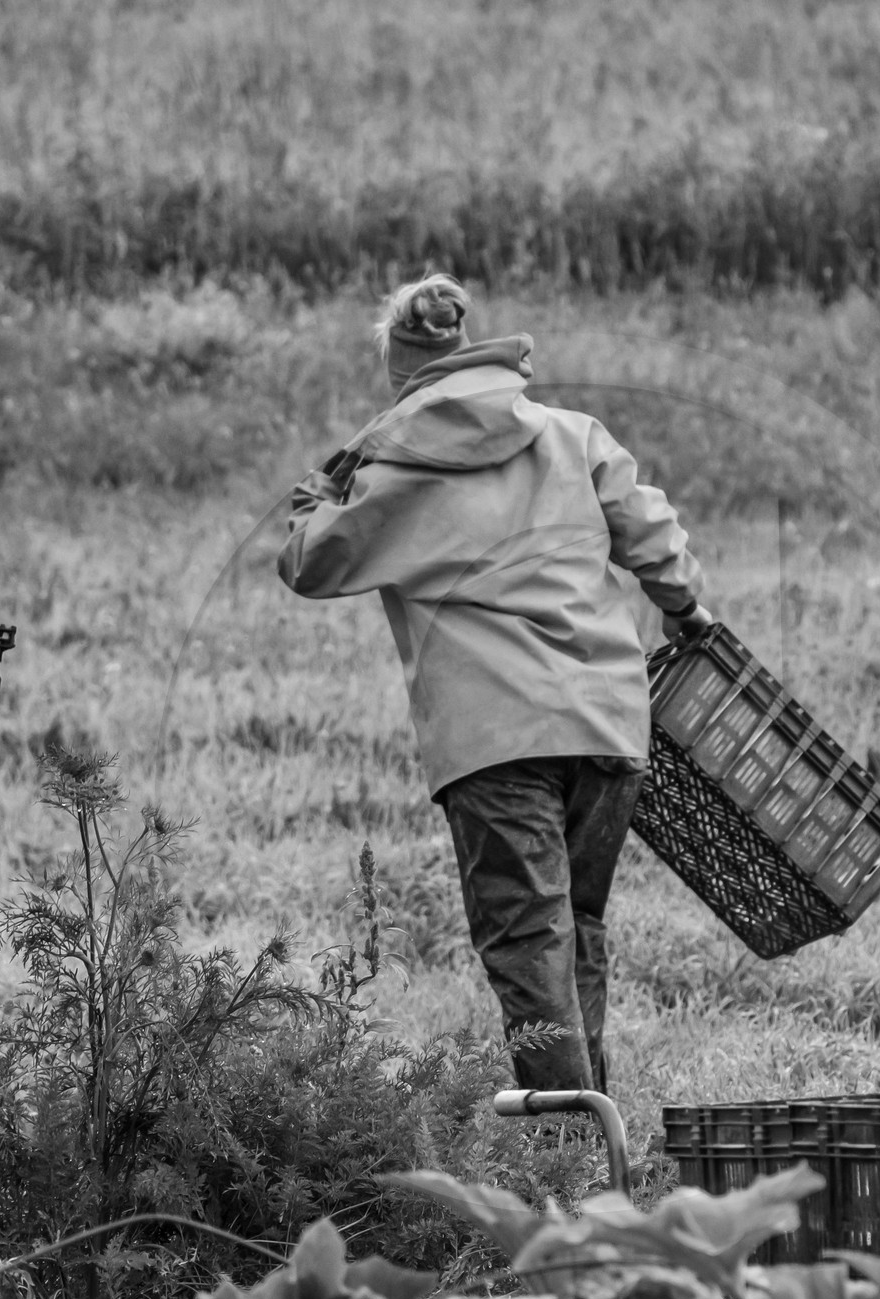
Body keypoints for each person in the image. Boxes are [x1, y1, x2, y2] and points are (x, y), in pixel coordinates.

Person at [278, 274, 712, 1093]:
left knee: (526, 942)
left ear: (401, 372)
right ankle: (599, 1143)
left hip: (494, 744)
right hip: (610, 726)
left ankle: (568, 1153)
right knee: (575, 926)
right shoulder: (571, 433)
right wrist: (686, 613)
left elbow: (306, 560)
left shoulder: (393, 471)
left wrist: (325, 482)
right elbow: (653, 537)